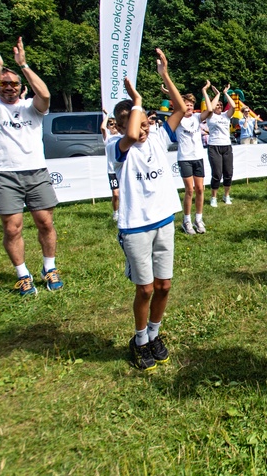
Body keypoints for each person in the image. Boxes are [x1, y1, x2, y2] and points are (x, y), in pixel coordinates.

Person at [107, 48, 186, 371]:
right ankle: (139, 340)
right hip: (136, 226)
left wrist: (164, 75)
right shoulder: (117, 147)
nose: (142, 129)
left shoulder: (155, 139)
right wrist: (136, 99)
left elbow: (180, 109)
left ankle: (154, 334)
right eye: (134, 124)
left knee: (165, 285)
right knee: (146, 288)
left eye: (143, 124)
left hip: (163, 220)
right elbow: (128, 134)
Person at [0, 37, 64, 296]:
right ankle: (23, 275)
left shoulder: (31, 108)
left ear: (20, 86)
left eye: (14, 84)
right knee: (12, 227)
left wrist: (23, 65)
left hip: (36, 171)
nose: (9, 87)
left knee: (45, 222)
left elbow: (45, 95)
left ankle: (50, 268)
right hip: (4, 174)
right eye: (4, 84)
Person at [175, 82, 210, 235]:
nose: (188, 107)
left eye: (190, 105)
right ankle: (186, 220)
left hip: (198, 157)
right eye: (186, 105)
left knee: (200, 189)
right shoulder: (177, 119)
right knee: (190, 190)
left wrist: (204, 91)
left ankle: (199, 219)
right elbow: (176, 102)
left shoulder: (196, 117)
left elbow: (209, 109)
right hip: (185, 158)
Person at [199, 84, 234, 207]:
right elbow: (211, 107)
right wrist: (217, 94)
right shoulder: (210, 115)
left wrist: (225, 94)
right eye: (217, 105)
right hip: (214, 146)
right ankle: (213, 197)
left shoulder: (226, 115)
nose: (218, 106)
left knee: (228, 173)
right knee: (217, 173)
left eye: (220, 105)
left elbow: (234, 106)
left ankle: (226, 195)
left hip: (227, 146)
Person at [100, 110, 120, 222]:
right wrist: (107, 116)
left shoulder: (121, 136)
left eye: (115, 124)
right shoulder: (107, 138)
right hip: (112, 170)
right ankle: (116, 212)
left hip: (122, 169)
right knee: (116, 194)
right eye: (111, 125)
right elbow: (102, 128)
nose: (113, 127)